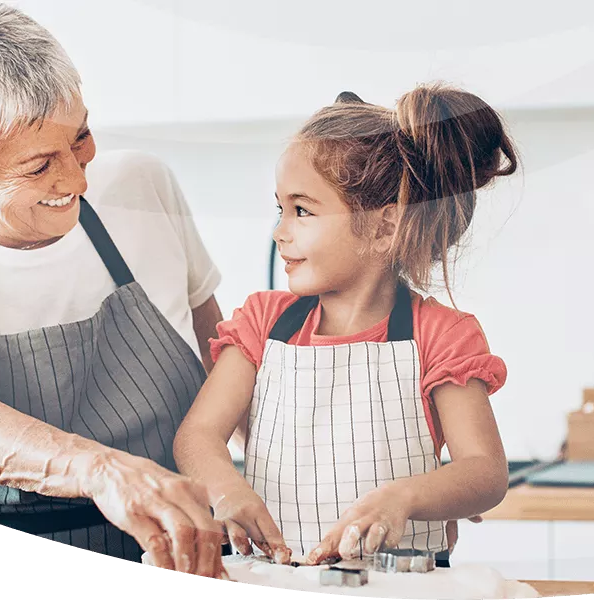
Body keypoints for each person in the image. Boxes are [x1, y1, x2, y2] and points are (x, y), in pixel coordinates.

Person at [0, 0, 229, 578]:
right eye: (38, 164)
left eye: (80, 139)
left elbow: (219, 356)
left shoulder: (143, 184)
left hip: (174, 544)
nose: (76, 180)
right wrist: (104, 472)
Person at [173, 84, 518, 567]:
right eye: (280, 208)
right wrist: (227, 489)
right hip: (279, 574)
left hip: (403, 585)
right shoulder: (262, 323)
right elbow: (198, 435)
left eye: (302, 210)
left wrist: (403, 499)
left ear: (384, 227)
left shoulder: (440, 336)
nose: (280, 231)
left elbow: (485, 472)